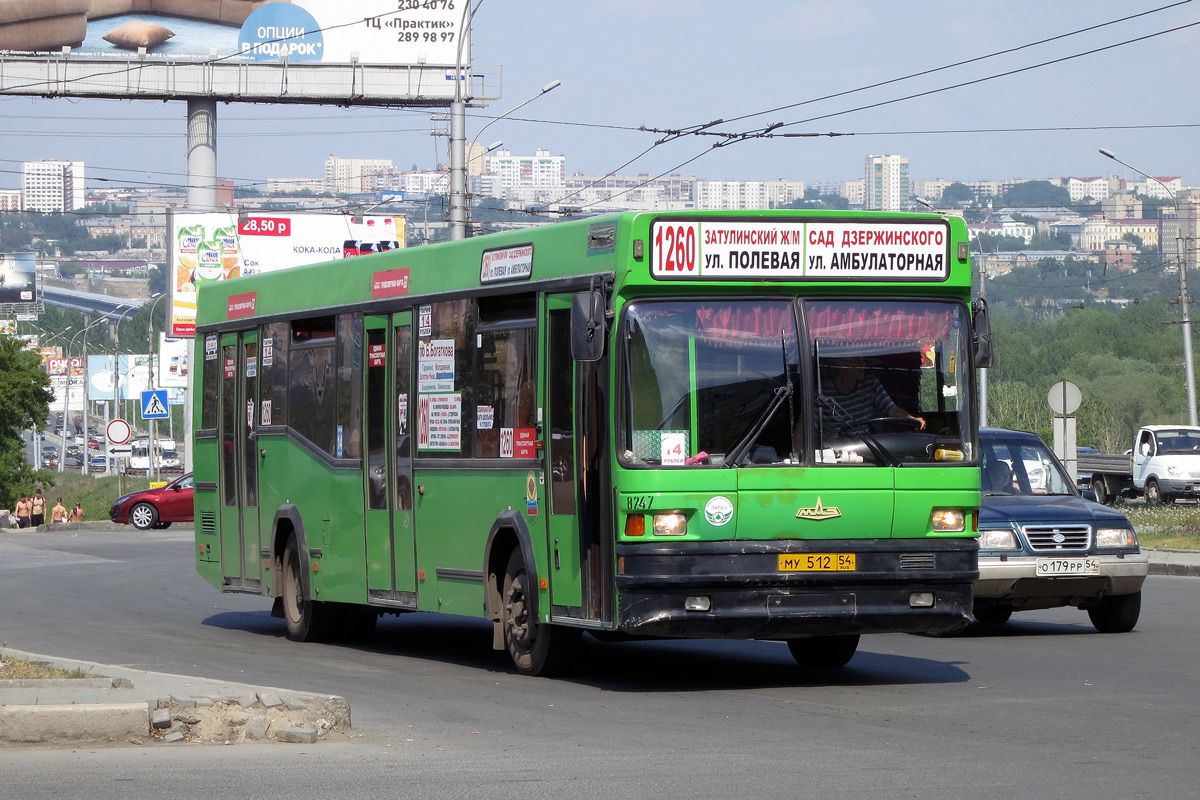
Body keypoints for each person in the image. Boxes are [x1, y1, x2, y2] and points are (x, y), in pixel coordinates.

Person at [820, 355, 925, 431]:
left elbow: (892, 409)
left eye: (863, 360)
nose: (863, 364)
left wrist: (910, 418)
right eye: (857, 359)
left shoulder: (870, 384)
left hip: (866, 447)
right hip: (837, 452)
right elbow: (808, 425)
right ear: (842, 365)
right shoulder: (823, 392)